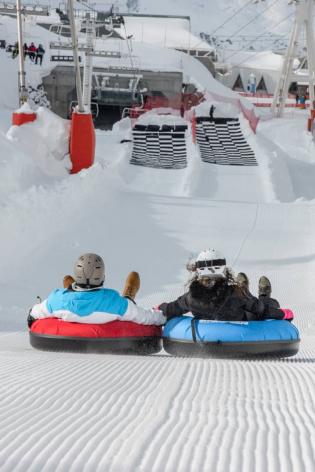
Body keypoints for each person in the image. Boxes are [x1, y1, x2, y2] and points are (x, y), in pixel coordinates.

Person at [28, 253, 166, 327]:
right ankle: (130, 294)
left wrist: (31, 316)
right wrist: (164, 315)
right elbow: (145, 317)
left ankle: (72, 289)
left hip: (67, 302)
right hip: (108, 304)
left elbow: (35, 313)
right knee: (127, 302)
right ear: (102, 276)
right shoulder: (114, 301)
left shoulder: (57, 299)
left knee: (67, 295)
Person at [159, 249, 293, 322]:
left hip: (227, 315)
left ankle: (247, 289)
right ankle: (264, 295)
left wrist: (161, 308)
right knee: (262, 304)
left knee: (249, 300)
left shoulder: (190, 298)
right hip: (244, 319)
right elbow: (261, 309)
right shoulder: (234, 293)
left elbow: (173, 308)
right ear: (223, 269)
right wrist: (282, 314)